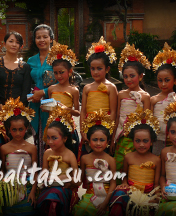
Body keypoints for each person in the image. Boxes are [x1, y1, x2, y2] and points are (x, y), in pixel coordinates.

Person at [109, 109, 161, 216]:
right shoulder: (128, 157)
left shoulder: (156, 160)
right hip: (130, 191)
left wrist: (157, 195)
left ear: (151, 142)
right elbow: (124, 175)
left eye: (145, 141)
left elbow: (156, 184)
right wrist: (124, 183)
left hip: (148, 193)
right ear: (133, 141)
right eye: (137, 141)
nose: (141, 144)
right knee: (118, 195)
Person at [110, 43, 151, 177]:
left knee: (134, 168)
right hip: (121, 137)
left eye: (132, 76)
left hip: (138, 139)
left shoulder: (145, 97)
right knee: (118, 168)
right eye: (125, 76)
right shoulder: (121, 94)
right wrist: (112, 140)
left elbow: (146, 121)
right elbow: (117, 117)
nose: (128, 79)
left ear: (140, 76)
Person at [78, 36, 118, 164]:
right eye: (92, 68)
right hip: (89, 126)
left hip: (104, 128)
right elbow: (83, 111)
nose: (95, 72)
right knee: (89, 158)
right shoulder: (87, 88)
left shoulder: (111, 88)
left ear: (107, 69)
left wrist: (108, 132)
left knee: (103, 159)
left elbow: (113, 112)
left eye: (99, 68)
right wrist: (83, 130)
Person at [37, 106, 80, 216]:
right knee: (49, 196)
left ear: (65, 138)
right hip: (50, 186)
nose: (50, 141)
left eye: (54, 138)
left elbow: (77, 180)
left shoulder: (70, 155)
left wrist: (67, 180)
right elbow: (44, 173)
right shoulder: (47, 152)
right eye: (48, 138)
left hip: (64, 189)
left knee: (54, 196)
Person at [0, 97, 37, 215]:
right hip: (10, 188)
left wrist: (33, 192)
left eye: (21, 129)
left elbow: (35, 172)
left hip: (28, 186)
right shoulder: (4, 148)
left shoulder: (31, 148)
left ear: (26, 129)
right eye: (14, 130)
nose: (18, 133)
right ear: (9, 130)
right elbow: (3, 171)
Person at [73, 110, 116, 216]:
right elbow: (81, 179)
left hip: (106, 196)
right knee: (81, 211)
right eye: (94, 140)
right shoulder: (84, 159)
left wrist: (105, 203)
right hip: (90, 194)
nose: (98, 143)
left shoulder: (111, 160)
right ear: (88, 140)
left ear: (108, 142)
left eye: (102, 140)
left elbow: (113, 183)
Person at [150, 42, 176, 155]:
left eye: (167, 80)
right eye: (160, 80)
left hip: (175, 139)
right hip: (157, 139)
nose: (163, 84)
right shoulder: (153, 99)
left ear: (175, 80)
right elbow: (150, 122)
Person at [46, 41, 80, 157]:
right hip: (53, 125)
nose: (59, 76)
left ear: (70, 71)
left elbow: (77, 113)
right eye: (55, 73)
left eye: (62, 72)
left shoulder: (73, 90)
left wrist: (66, 109)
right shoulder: (51, 89)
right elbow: (50, 109)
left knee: (69, 153)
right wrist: (46, 107)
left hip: (68, 126)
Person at [27, 24, 54, 166]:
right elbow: (26, 82)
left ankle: (51, 171)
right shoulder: (30, 60)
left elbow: (65, 81)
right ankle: (37, 171)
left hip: (51, 102)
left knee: (51, 134)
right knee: (36, 136)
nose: (41, 40)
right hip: (34, 103)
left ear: (51, 39)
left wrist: (43, 92)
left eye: (45, 36)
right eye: (38, 37)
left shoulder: (57, 58)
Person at [0, 31, 32, 105]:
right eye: (11, 41)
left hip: (19, 110)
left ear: (21, 47)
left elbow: (26, 90)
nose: (14, 45)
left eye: (17, 42)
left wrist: (19, 108)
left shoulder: (25, 67)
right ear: (4, 44)